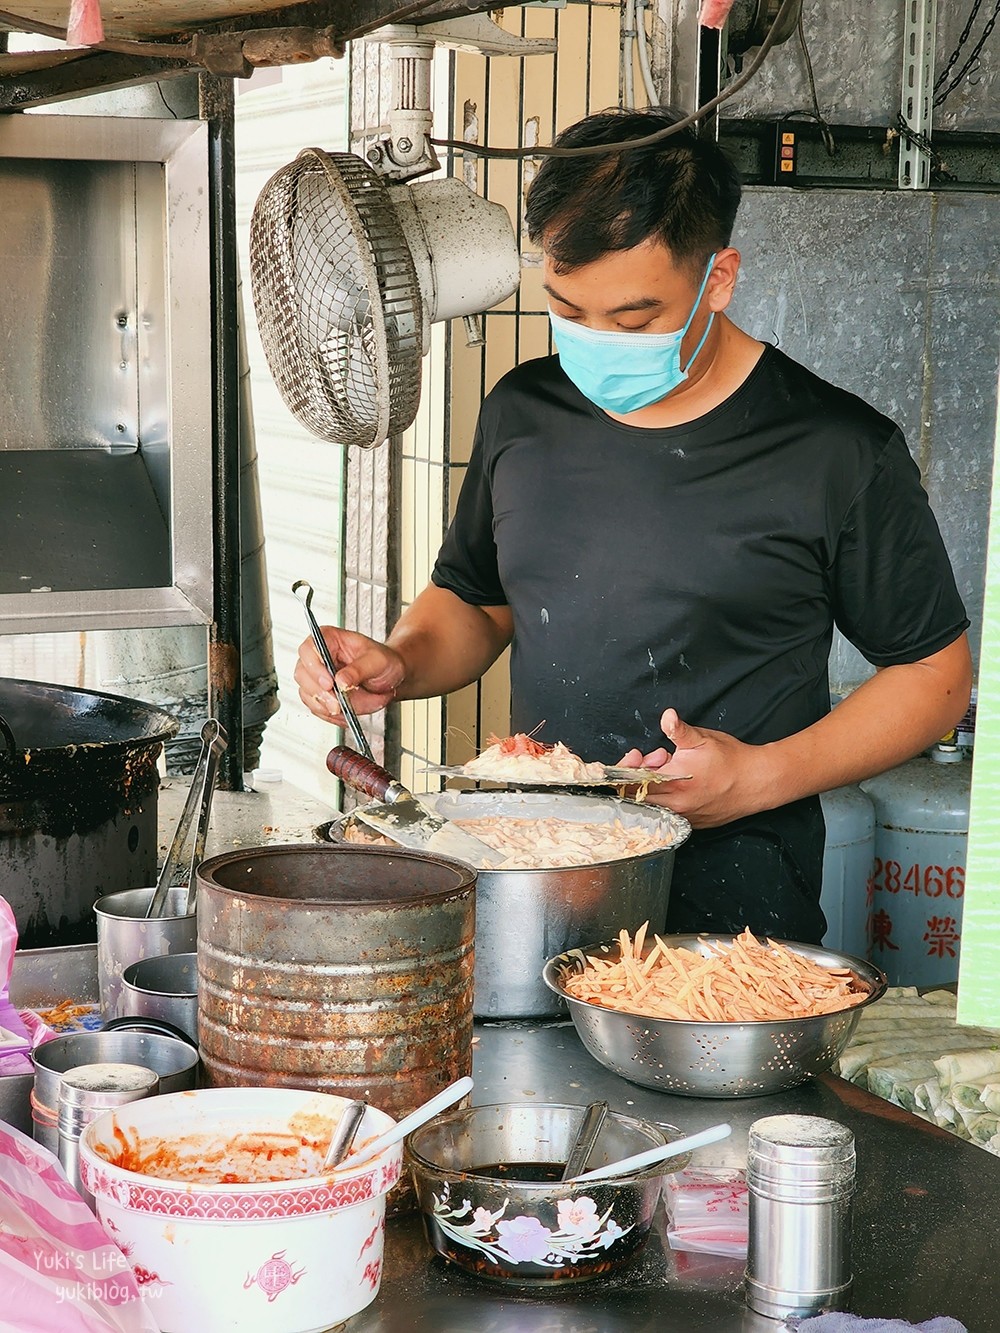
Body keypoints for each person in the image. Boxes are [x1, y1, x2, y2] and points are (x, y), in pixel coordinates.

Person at [295, 107, 972, 944]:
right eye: (566, 308)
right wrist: (399, 660)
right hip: (531, 893)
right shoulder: (523, 412)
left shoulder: (837, 451)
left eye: (635, 320)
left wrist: (759, 776)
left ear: (718, 280)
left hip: (731, 922)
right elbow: (476, 603)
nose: (594, 343)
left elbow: (938, 676)